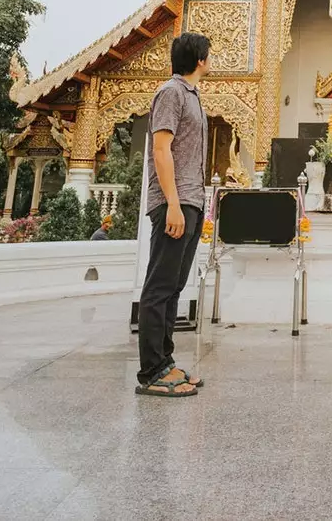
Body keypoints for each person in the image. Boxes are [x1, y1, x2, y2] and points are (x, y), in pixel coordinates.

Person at [135, 31, 211, 398]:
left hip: (192, 201)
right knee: (159, 287)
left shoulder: (193, 97)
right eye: (208, 56)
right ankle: (151, 370)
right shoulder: (171, 93)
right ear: (200, 59)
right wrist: (175, 204)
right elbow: (161, 151)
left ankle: (165, 362)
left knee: (175, 286)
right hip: (174, 203)